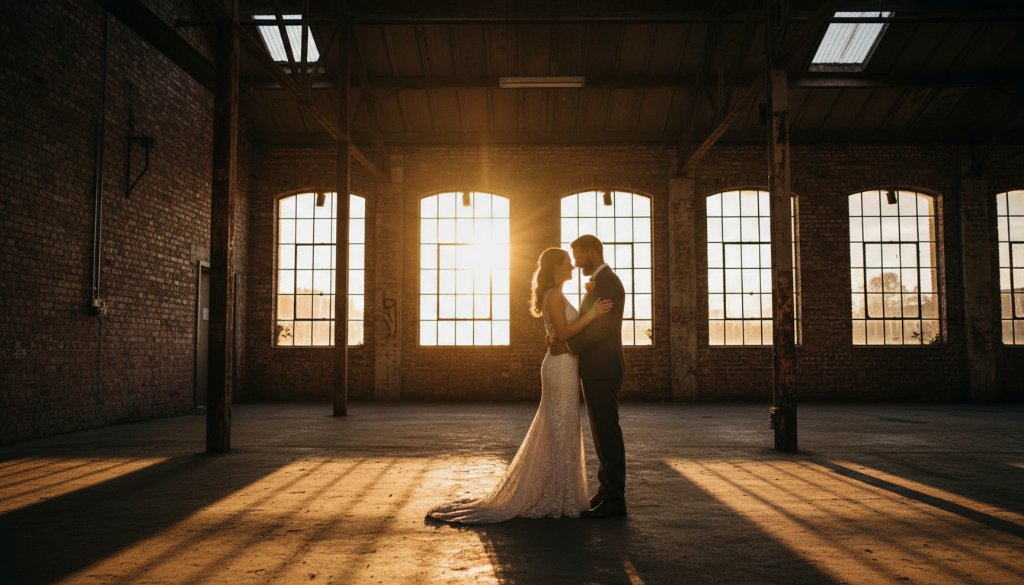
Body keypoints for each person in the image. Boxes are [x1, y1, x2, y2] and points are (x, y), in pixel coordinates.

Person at [426, 247, 613, 524]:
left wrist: (587, 303)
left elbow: (560, 333)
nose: (572, 267)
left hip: (565, 365)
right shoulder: (552, 296)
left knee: (563, 425)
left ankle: (562, 493)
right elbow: (562, 333)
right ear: (555, 268)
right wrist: (593, 313)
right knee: (559, 425)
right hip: (559, 368)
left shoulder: (558, 294)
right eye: (566, 263)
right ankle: (553, 495)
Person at [550, 234, 628, 518]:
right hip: (596, 368)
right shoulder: (601, 282)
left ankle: (615, 500)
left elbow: (602, 329)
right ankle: (606, 490)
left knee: (608, 433)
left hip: (603, 368)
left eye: (578, 255)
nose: (575, 262)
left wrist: (568, 346)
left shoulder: (608, 283)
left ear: (592, 253)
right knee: (601, 434)